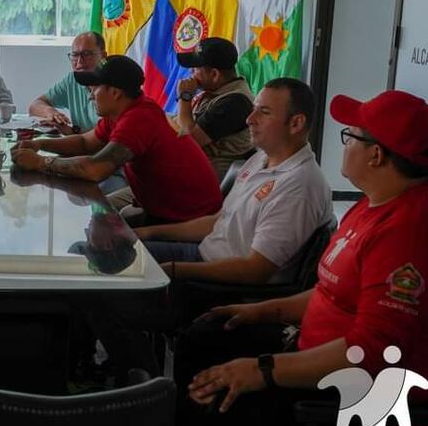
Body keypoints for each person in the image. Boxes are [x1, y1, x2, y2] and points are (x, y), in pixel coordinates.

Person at [173, 90, 428, 426]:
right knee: (206, 338)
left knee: (224, 402)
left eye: (350, 135)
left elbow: (370, 354)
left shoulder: (414, 230)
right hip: (322, 355)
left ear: (376, 155)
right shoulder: (376, 202)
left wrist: (262, 370)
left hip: (369, 403)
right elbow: (332, 292)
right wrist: (263, 311)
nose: (344, 142)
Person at [136, 78, 333, 285]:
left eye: (264, 112)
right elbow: (217, 222)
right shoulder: (260, 159)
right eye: (254, 109)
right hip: (202, 255)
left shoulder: (299, 187)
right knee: (120, 251)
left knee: (118, 273)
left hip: (217, 285)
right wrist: (148, 232)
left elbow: (255, 270)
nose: (250, 119)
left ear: (296, 123)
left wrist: (174, 270)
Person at [11, 55, 222, 225]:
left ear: (115, 92)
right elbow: (85, 142)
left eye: (94, 88)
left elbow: (95, 169)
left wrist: (41, 162)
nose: (90, 96)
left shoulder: (139, 119)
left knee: (100, 221)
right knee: (99, 215)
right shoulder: (123, 111)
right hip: (162, 207)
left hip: (190, 218)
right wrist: (40, 144)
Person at [174, 37, 255, 179]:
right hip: (187, 169)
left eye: (196, 68)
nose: (191, 72)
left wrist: (185, 96)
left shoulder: (234, 102)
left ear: (214, 74)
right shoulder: (217, 91)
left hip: (201, 178)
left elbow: (188, 139)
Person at [28, 31, 106, 134]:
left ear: (103, 56)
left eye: (86, 54)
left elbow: (106, 140)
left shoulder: (112, 86)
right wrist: (51, 112)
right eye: (75, 55)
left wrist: (72, 132)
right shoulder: (72, 80)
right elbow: (34, 106)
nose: (79, 62)